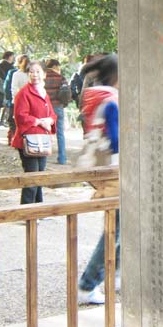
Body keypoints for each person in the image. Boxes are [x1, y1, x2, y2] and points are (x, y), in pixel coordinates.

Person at [78, 54, 120, 304]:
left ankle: (113, 275)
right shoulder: (111, 101)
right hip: (117, 173)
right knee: (115, 230)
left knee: (120, 227)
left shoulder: (95, 96)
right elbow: (117, 141)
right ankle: (87, 284)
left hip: (105, 172)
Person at [10, 60, 57, 205]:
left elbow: (53, 114)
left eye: (37, 72)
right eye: (31, 72)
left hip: (42, 139)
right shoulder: (23, 93)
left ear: (44, 74)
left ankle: (38, 208)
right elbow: (20, 116)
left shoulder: (44, 93)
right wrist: (39, 121)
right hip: (28, 140)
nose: (34, 75)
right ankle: (27, 210)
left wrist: (50, 120)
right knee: (31, 176)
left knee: (39, 175)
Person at [44, 59, 70, 165]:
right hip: (58, 107)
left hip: (45, 108)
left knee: (45, 132)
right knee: (60, 133)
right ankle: (62, 158)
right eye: (58, 66)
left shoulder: (42, 77)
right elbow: (67, 92)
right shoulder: (61, 78)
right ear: (54, 66)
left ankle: (43, 158)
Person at [0, 51, 15, 125]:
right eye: (12, 56)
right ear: (9, 56)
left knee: (3, 103)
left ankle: (1, 119)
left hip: (0, 85)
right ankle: (3, 119)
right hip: (5, 85)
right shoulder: (7, 65)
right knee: (6, 103)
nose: (13, 58)